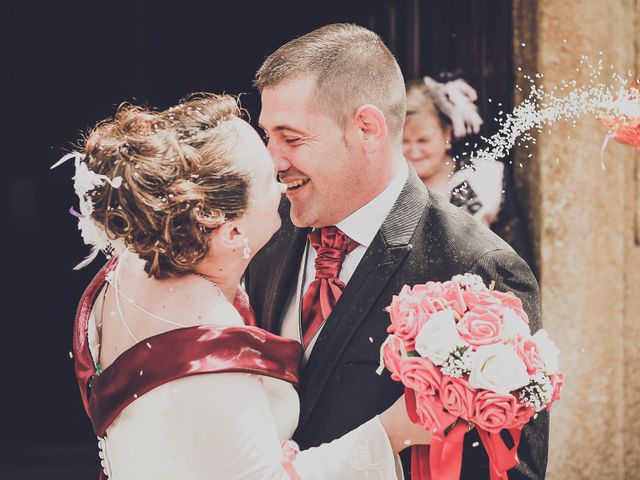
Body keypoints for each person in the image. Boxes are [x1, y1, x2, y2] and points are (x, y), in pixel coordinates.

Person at [59, 94, 431, 479]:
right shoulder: (209, 348)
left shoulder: (128, 266)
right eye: (271, 178)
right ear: (233, 231)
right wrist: (394, 430)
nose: (284, 180)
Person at [247, 23, 548, 479]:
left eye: (291, 138)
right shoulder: (265, 238)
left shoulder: (478, 267)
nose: (273, 159)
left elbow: (509, 468)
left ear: (367, 128)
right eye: (268, 136)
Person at [404, 77, 535, 265]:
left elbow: (515, 256)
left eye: (423, 140)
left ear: (447, 133)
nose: (414, 152)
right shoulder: (387, 184)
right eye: (404, 141)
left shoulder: (485, 177)